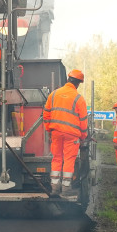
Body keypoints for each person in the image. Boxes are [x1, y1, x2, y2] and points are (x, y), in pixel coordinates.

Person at [43, 69, 88, 197]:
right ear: (78, 83)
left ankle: (54, 188)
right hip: (72, 135)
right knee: (69, 159)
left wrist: (49, 129)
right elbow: (83, 121)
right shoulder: (79, 98)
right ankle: (66, 188)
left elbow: (46, 114)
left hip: (56, 133)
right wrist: (83, 136)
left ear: (68, 79)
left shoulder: (54, 94)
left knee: (56, 158)